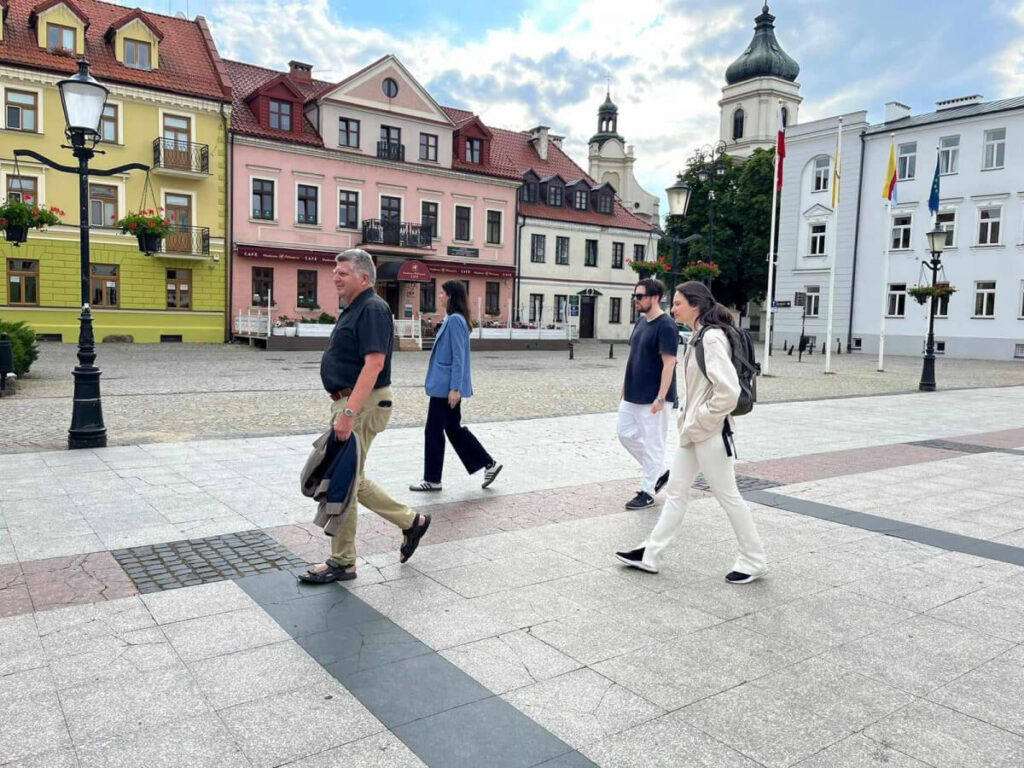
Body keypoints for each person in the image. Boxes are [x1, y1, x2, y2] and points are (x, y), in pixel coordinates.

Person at [616, 281, 766, 584]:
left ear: (695, 305)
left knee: (728, 496)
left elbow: (729, 392)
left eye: (679, 303)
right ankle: (651, 554)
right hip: (694, 432)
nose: (673, 309)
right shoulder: (699, 337)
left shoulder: (711, 339)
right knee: (675, 492)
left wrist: (699, 420)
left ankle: (754, 559)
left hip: (709, 433)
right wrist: (691, 422)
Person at [299, 249, 431, 583]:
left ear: (364, 277)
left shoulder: (372, 308)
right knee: (351, 479)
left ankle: (343, 562)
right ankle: (411, 522)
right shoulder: (355, 308)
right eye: (334, 270)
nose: (335, 276)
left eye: (342, 272)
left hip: (361, 405)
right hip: (353, 403)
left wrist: (348, 412)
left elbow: (374, 365)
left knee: (343, 481)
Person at [410, 280, 502, 492]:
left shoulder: (455, 321)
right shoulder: (455, 319)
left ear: (451, 296)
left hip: (446, 388)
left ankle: (432, 479)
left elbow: (459, 357)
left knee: (433, 430)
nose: (439, 296)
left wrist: (455, 388)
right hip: (446, 386)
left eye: (442, 293)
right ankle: (489, 464)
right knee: (452, 428)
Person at [617, 277, 678, 510]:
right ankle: (660, 472)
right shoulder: (641, 322)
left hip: (654, 397)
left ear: (655, 298)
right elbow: (635, 357)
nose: (636, 300)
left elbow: (669, 363)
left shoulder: (666, 325)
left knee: (654, 444)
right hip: (632, 394)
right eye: (635, 296)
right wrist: (624, 386)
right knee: (624, 434)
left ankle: (648, 491)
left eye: (640, 296)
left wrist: (661, 397)